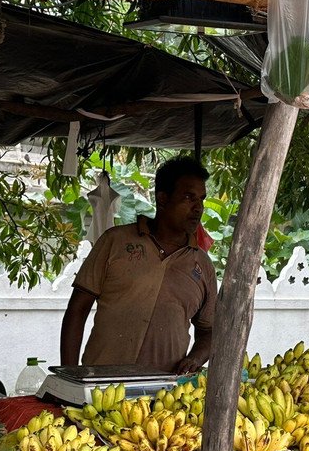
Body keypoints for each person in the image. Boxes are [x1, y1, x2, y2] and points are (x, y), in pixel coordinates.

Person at [59, 157, 217, 374]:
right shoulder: (115, 242)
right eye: (189, 197)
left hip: (165, 396)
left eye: (201, 199)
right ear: (162, 199)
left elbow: (208, 330)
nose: (198, 208)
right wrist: (68, 375)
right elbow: (77, 309)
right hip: (100, 386)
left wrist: (195, 358)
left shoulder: (202, 264)